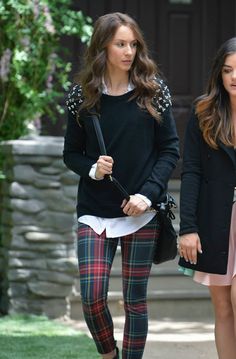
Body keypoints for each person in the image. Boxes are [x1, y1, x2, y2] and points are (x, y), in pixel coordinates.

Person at [63, 12, 179, 359]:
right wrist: (94, 170)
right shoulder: (82, 96)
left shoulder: (153, 91)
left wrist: (148, 194)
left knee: (134, 300)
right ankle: (108, 354)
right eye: (120, 44)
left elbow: (170, 149)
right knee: (91, 295)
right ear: (103, 47)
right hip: (95, 212)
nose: (129, 51)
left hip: (140, 213)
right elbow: (71, 154)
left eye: (133, 44)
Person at [178, 37, 236, 359]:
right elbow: (192, 172)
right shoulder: (205, 113)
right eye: (227, 70)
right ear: (219, 73)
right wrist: (188, 227)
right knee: (223, 308)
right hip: (216, 220)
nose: (234, 77)